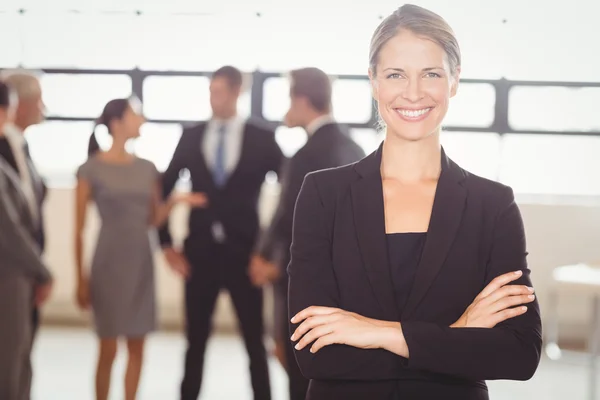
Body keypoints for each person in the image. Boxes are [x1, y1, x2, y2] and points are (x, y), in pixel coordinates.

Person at [287, 5, 542, 400]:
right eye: (395, 75)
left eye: (431, 74)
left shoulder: (492, 205)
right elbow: (314, 354)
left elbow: (519, 353)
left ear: (454, 80)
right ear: (373, 81)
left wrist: (377, 333)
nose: (414, 92)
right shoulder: (324, 195)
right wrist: (455, 338)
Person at [159, 65, 284, 400]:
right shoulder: (191, 135)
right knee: (194, 343)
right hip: (198, 257)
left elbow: (291, 194)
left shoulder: (262, 138)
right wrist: (167, 245)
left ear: (237, 91)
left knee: (255, 344)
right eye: (210, 91)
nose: (214, 99)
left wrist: (271, 253)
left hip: (247, 257)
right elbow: (162, 190)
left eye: (220, 92)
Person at [74, 97, 207, 400]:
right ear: (117, 122)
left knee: (138, 344)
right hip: (108, 261)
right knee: (108, 347)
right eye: (136, 114)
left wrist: (174, 201)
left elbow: (152, 219)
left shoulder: (148, 169)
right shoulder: (89, 169)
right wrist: (81, 277)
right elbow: (78, 230)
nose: (142, 120)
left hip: (140, 261)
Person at [249, 67, 364, 400]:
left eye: (288, 99)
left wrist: (263, 255)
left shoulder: (305, 155)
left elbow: (290, 216)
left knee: (298, 364)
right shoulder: (355, 149)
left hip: (302, 278)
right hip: (346, 280)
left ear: (301, 100)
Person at [0, 80, 53, 400]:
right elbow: (7, 224)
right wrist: (42, 270)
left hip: (23, 270)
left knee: (20, 356)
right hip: (9, 269)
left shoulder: (21, 147)